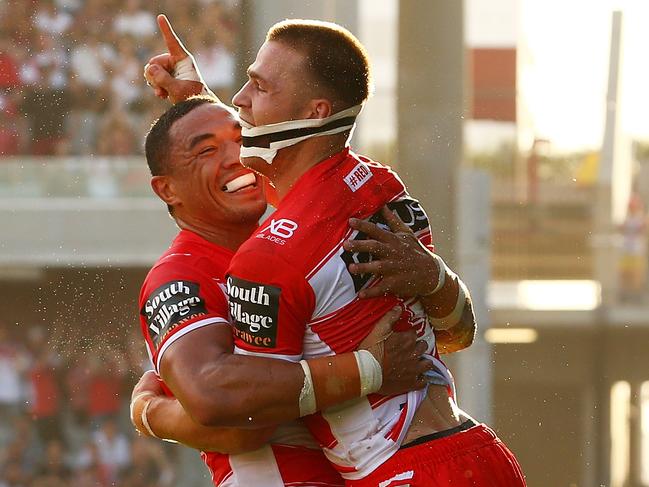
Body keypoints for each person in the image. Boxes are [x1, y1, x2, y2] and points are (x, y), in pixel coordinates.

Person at [142, 16, 523, 486]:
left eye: (256, 88)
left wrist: (148, 410)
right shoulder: (377, 183)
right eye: (205, 150)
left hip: (403, 471)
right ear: (167, 189)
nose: (240, 107)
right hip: (475, 451)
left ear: (314, 112)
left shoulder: (271, 254)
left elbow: (243, 419)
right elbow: (456, 331)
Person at [131, 96, 452, 486]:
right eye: (207, 150)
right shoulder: (178, 277)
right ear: (167, 190)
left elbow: (454, 335)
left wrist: (434, 277)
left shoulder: (295, 243)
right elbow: (232, 413)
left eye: (241, 138)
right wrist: (370, 370)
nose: (237, 156)